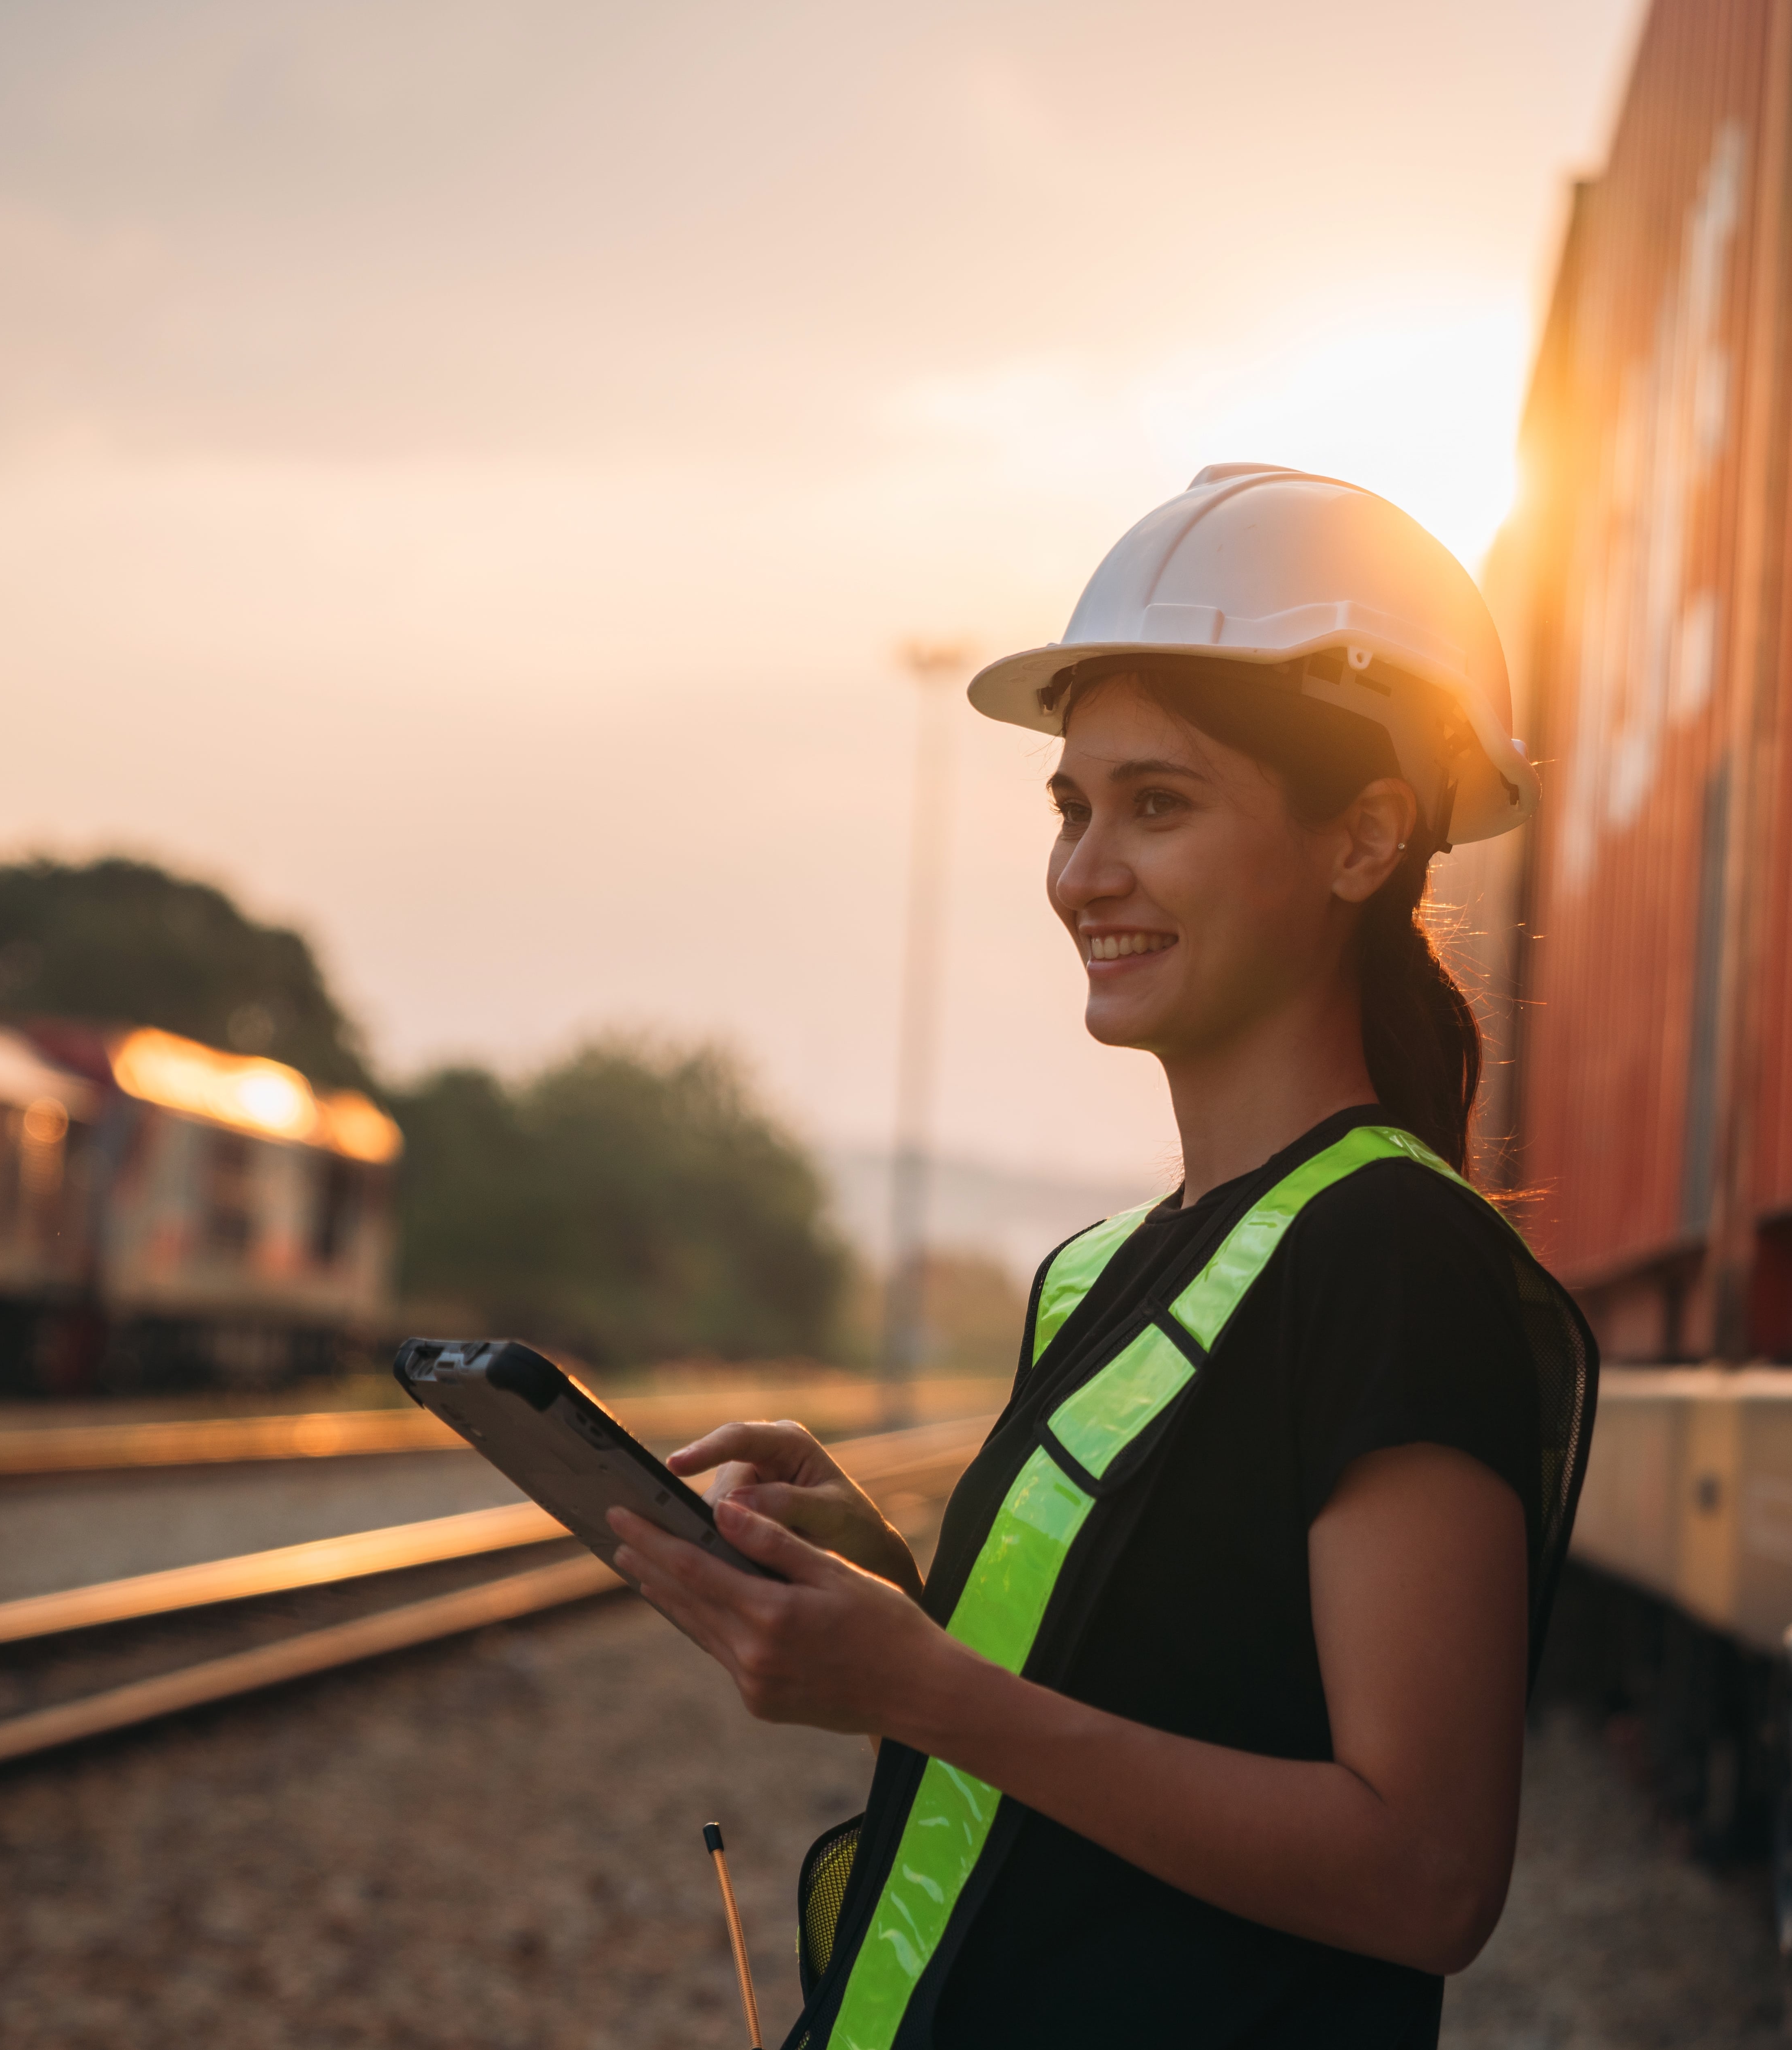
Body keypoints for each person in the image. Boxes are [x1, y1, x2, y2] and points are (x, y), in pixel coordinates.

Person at [607, 465, 1597, 2050]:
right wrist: (884, 1585)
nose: (1085, 872)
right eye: (1075, 807)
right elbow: (1159, 1683)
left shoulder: (1395, 1262)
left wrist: (917, 1688)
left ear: (1363, 840)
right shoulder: (1106, 1271)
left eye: (1160, 804)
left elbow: (1425, 1873)